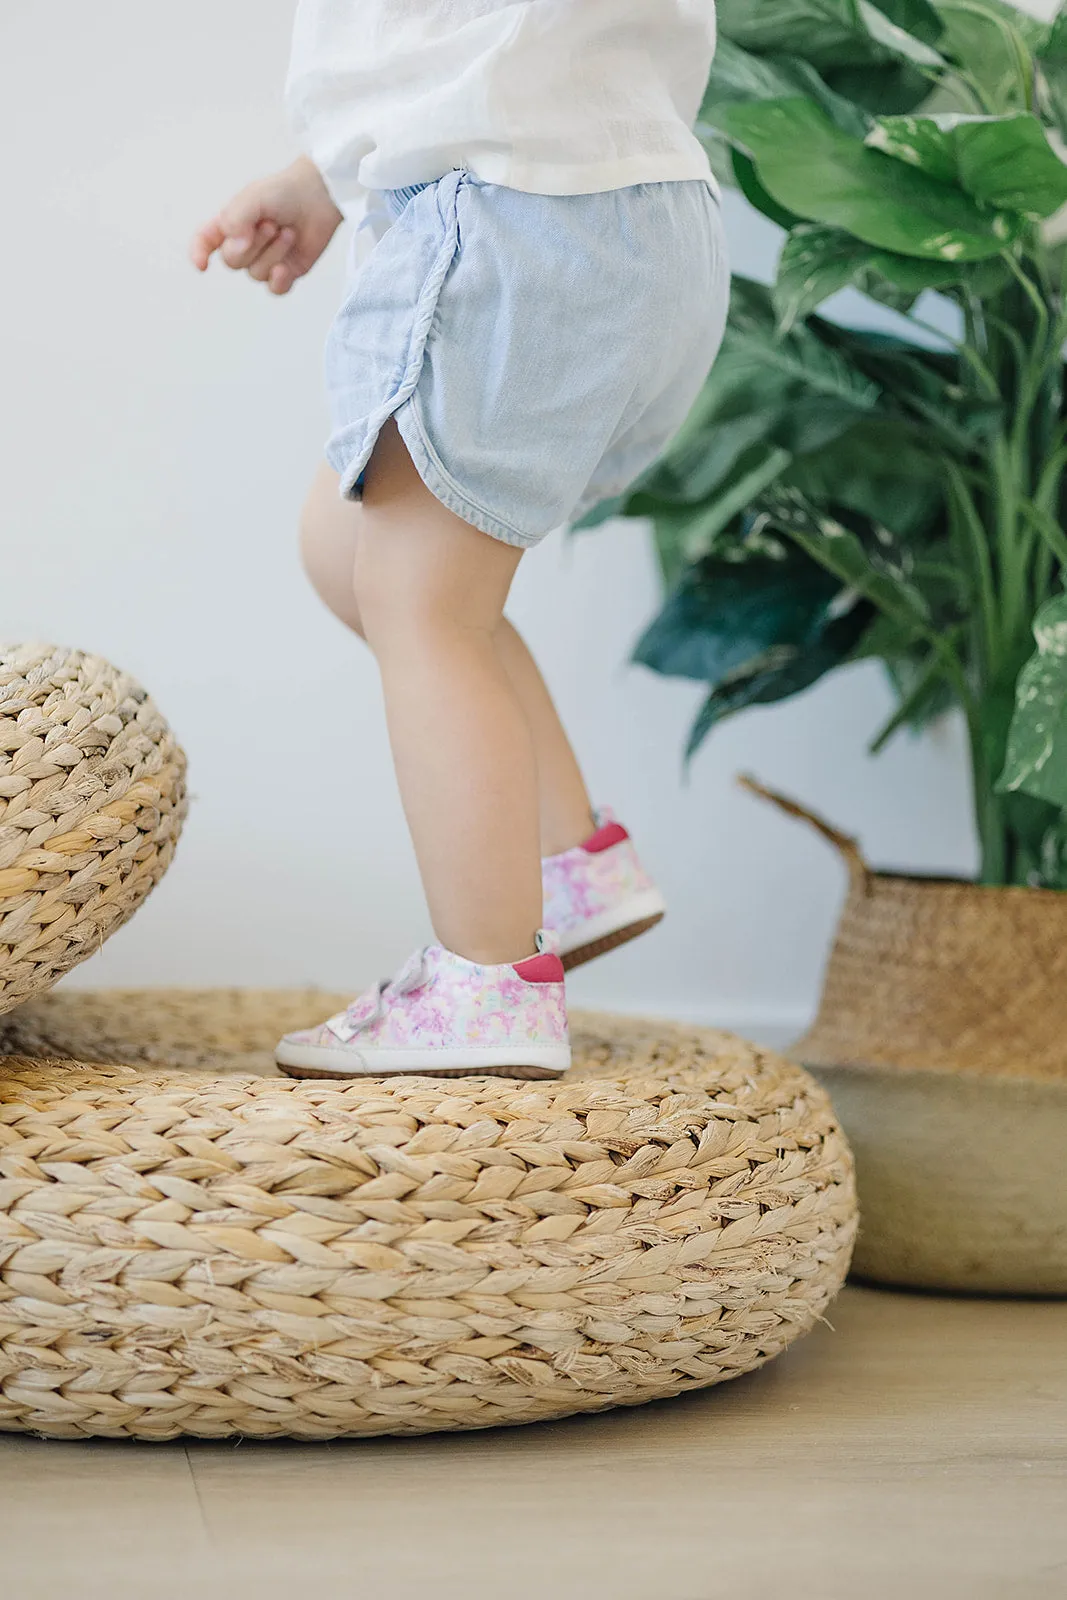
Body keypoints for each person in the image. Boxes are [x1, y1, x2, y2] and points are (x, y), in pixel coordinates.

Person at [190, 0, 729, 1080]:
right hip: (638, 209)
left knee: (419, 601)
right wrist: (320, 177)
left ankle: (486, 979)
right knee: (352, 551)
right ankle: (567, 860)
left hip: (505, 208)